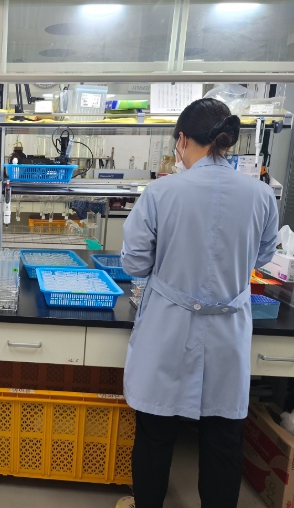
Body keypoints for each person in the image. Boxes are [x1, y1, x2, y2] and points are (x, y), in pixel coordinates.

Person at [117, 98, 279, 508]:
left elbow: (135, 263)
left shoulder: (161, 192)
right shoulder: (261, 195)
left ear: (183, 140)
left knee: (155, 434)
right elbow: (263, 257)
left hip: (169, 330)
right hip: (227, 332)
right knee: (224, 439)